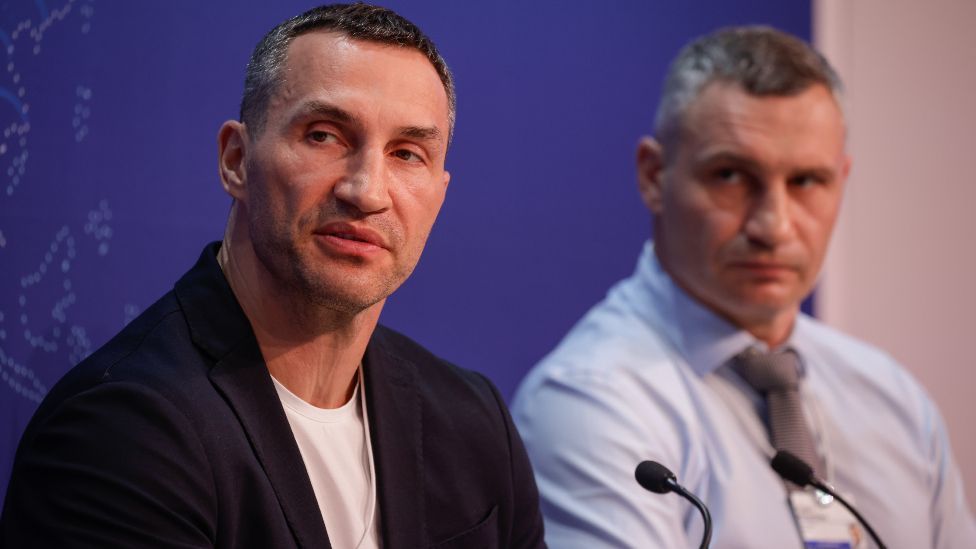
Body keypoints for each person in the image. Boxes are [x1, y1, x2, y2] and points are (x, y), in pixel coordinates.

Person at [1, 4, 544, 548]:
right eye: (324, 136)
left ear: (440, 195)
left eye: (406, 153)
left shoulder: (472, 422)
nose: (368, 191)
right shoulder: (119, 432)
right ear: (236, 159)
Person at [512, 26, 975, 548]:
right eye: (731, 175)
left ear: (842, 181)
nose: (774, 225)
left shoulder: (894, 400)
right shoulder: (590, 402)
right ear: (653, 175)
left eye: (806, 182)